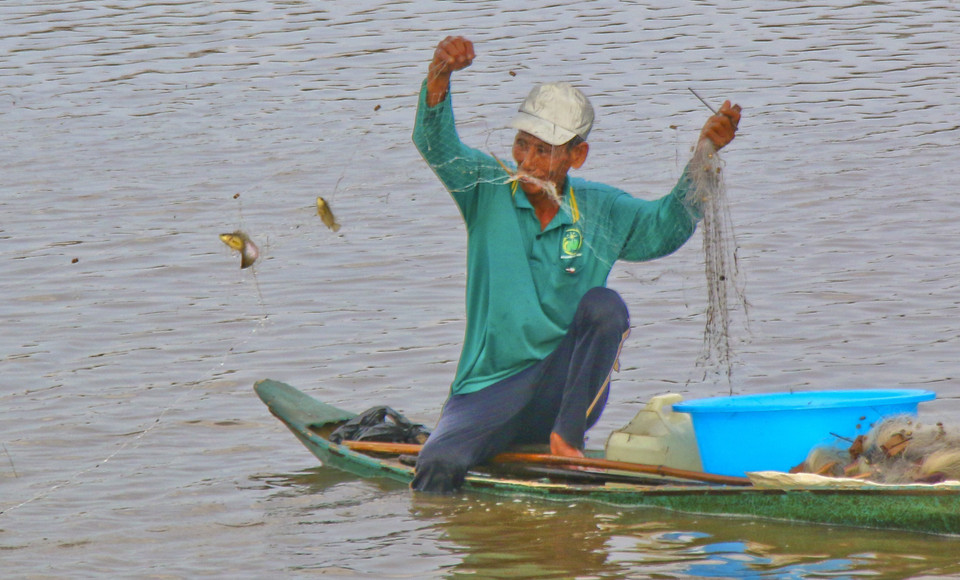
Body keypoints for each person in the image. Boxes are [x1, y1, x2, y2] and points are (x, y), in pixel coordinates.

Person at [411, 35, 741, 492]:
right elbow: (436, 143)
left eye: (543, 150)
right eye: (521, 144)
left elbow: (666, 226)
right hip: (489, 389)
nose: (526, 161)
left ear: (576, 155)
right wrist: (440, 74)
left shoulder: (600, 209)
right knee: (438, 463)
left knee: (605, 306)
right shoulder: (485, 188)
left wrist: (704, 155)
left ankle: (566, 442)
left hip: (563, 394)